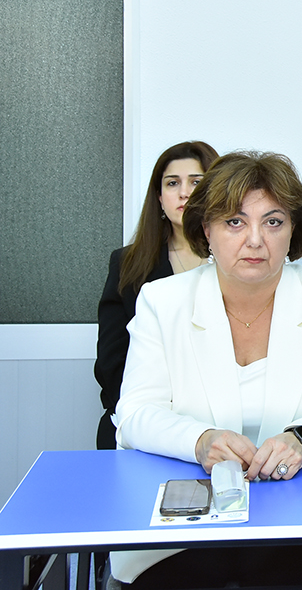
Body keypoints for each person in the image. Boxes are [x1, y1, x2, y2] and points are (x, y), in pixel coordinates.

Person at [111, 151, 302, 588]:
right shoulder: (163, 300)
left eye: (273, 222)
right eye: (235, 222)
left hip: (299, 526)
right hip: (183, 528)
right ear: (205, 230)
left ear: (294, 231)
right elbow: (135, 414)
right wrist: (200, 441)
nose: (255, 240)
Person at [95, 140, 219, 450]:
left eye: (196, 182)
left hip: (224, 423)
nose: (183, 192)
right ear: (159, 197)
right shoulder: (128, 264)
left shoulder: (242, 261)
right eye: (172, 183)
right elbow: (112, 363)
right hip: (148, 424)